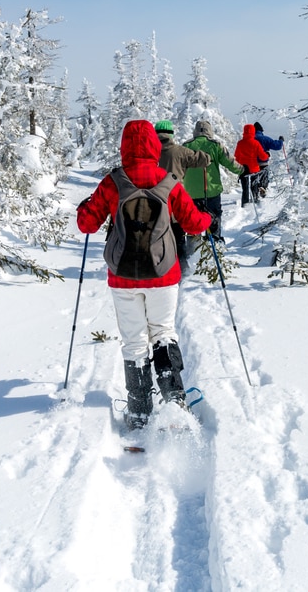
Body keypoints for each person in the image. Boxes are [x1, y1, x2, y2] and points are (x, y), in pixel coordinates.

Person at [77, 120, 211, 429]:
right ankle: (175, 400)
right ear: (153, 145)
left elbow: (87, 225)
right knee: (163, 331)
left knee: (134, 341)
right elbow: (194, 224)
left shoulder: (113, 182)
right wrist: (206, 216)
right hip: (163, 274)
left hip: (123, 277)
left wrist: (84, 207)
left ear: (124, 146)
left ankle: (138, 412)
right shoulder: (169, 182)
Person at [154, 119, 210, 265]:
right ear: (171, 134)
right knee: (178, 239)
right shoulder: (180, 152)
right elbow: (204, 160)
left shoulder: (150, 153)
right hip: (175, 203)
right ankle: (181, 271)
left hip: (152, 205)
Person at [182, 120, 242, 242]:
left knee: (193, 222)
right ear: (210, 131)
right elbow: (229, 163)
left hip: (190, 192)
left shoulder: (186, 146)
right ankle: (214, 242)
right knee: (213, 218)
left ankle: (192, 248)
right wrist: (242, 170)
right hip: (211, 191)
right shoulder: (215, 145)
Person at [234, 124, 269, 207]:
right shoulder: (256, 143)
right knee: (254, 187)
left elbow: (236, 156)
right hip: (254, 170)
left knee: (245, 189)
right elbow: (262, 157)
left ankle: (244, 205)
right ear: (253, 132)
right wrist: (267, 155)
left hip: (243, 170)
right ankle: (255, 202)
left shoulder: (240, 143)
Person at [252, 122, 284, 199]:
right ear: (261, 130)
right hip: (263, 163)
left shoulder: (249, 139)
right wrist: (281, 140)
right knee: (264, 177)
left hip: (252, 164)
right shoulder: (264, 139)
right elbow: (277, 146)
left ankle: (254, 196)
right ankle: (263, 188)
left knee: (253, 180)